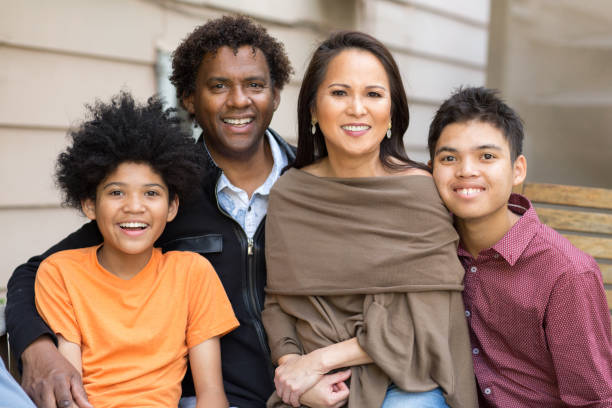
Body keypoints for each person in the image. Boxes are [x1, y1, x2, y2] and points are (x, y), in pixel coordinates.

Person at [6, 15, 297, 408]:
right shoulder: (164, 187)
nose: (239, 100)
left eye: (255, 85)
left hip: (309, 390)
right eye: (218, 86)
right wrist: (38, 349)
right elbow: (36, 272)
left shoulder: (312, 185)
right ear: (190, 99)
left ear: (276, 94)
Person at [261, 31, 477, 408]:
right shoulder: (289, 193)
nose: (357, 108)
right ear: (313, 108)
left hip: (407, 378)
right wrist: (294, 369)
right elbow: (278, 302)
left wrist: (319, 361)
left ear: (391, 112)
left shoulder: (420, 193)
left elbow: (426, 319)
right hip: (316, 385)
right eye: (340, 93)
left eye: (373, 94)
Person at [33, 91, 239, 407]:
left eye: (151, 193)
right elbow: (70, 392)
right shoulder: (60, 272)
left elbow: (211, 393)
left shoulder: (191, 273)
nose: (134, 207)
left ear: (172, 207)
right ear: (90, 204)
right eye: (116, 192)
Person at [428, 86, 612, 407]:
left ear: (518, 170)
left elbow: (594, 400)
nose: (466, 170)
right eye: (449, 158)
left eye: (487, 156)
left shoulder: (566, 273)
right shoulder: (430, 245)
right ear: (431, 168)